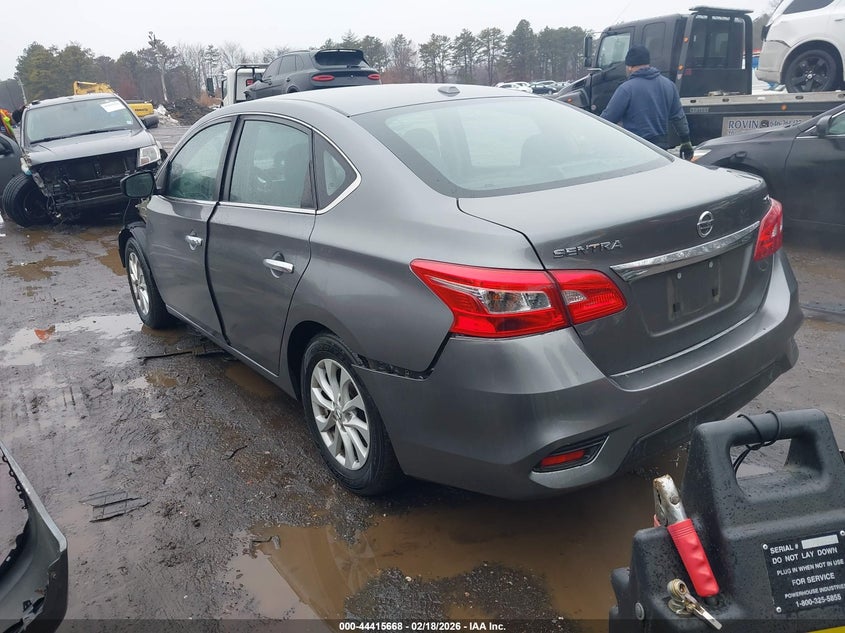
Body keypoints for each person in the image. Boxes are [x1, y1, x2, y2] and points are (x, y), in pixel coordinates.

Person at [601, 45, 694, 160]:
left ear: (629, 66)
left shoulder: (626, 89)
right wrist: (686, 141)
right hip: (660, 150)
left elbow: (606, 120)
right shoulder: (669, 85)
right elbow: (679, 117)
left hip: (635, 150)